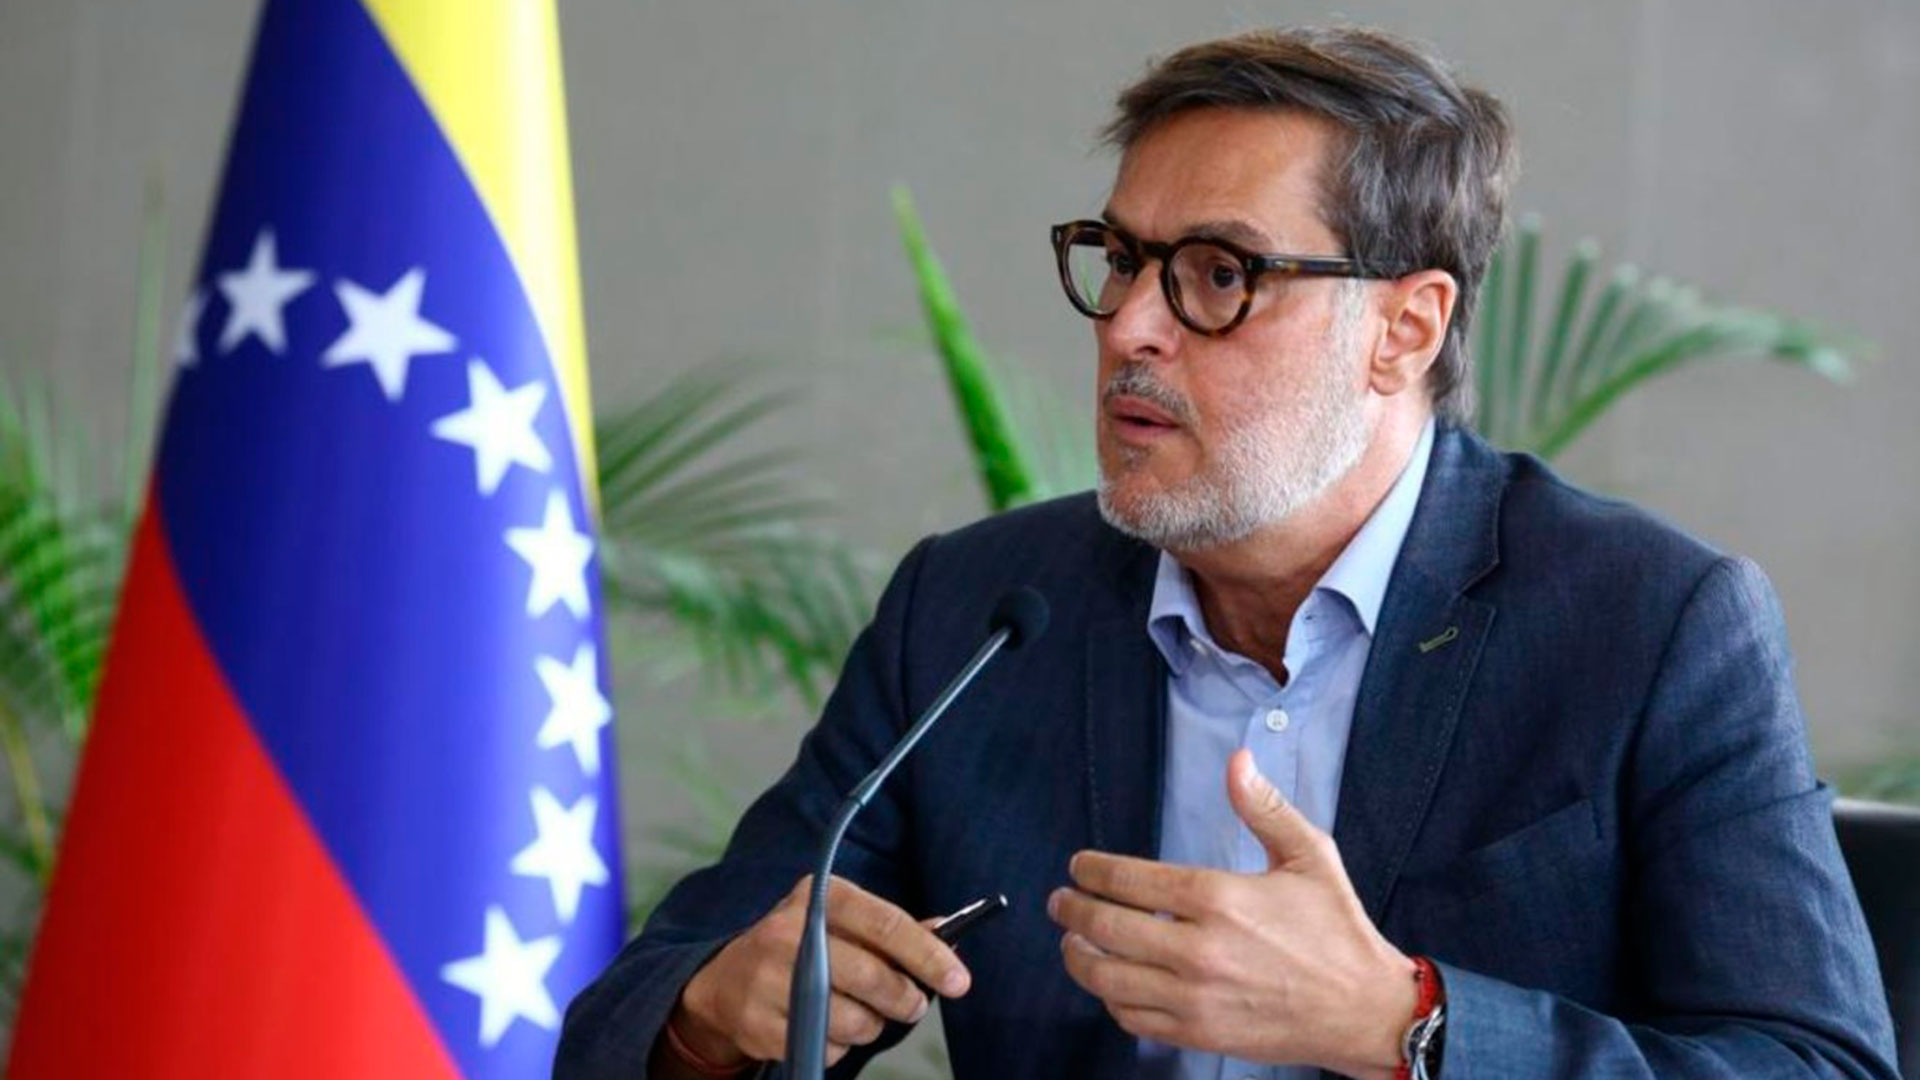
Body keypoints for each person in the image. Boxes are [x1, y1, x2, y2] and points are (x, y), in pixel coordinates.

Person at [556, 26, 1898, 1080]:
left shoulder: (1651, 625)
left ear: (1404, 330)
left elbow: (1818, 1064)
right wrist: (710, 1015)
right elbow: (630, 1017)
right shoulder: (976, 612)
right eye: (1120, 257)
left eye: (1217, 274)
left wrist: (1408, 1023)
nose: (1130, 326)